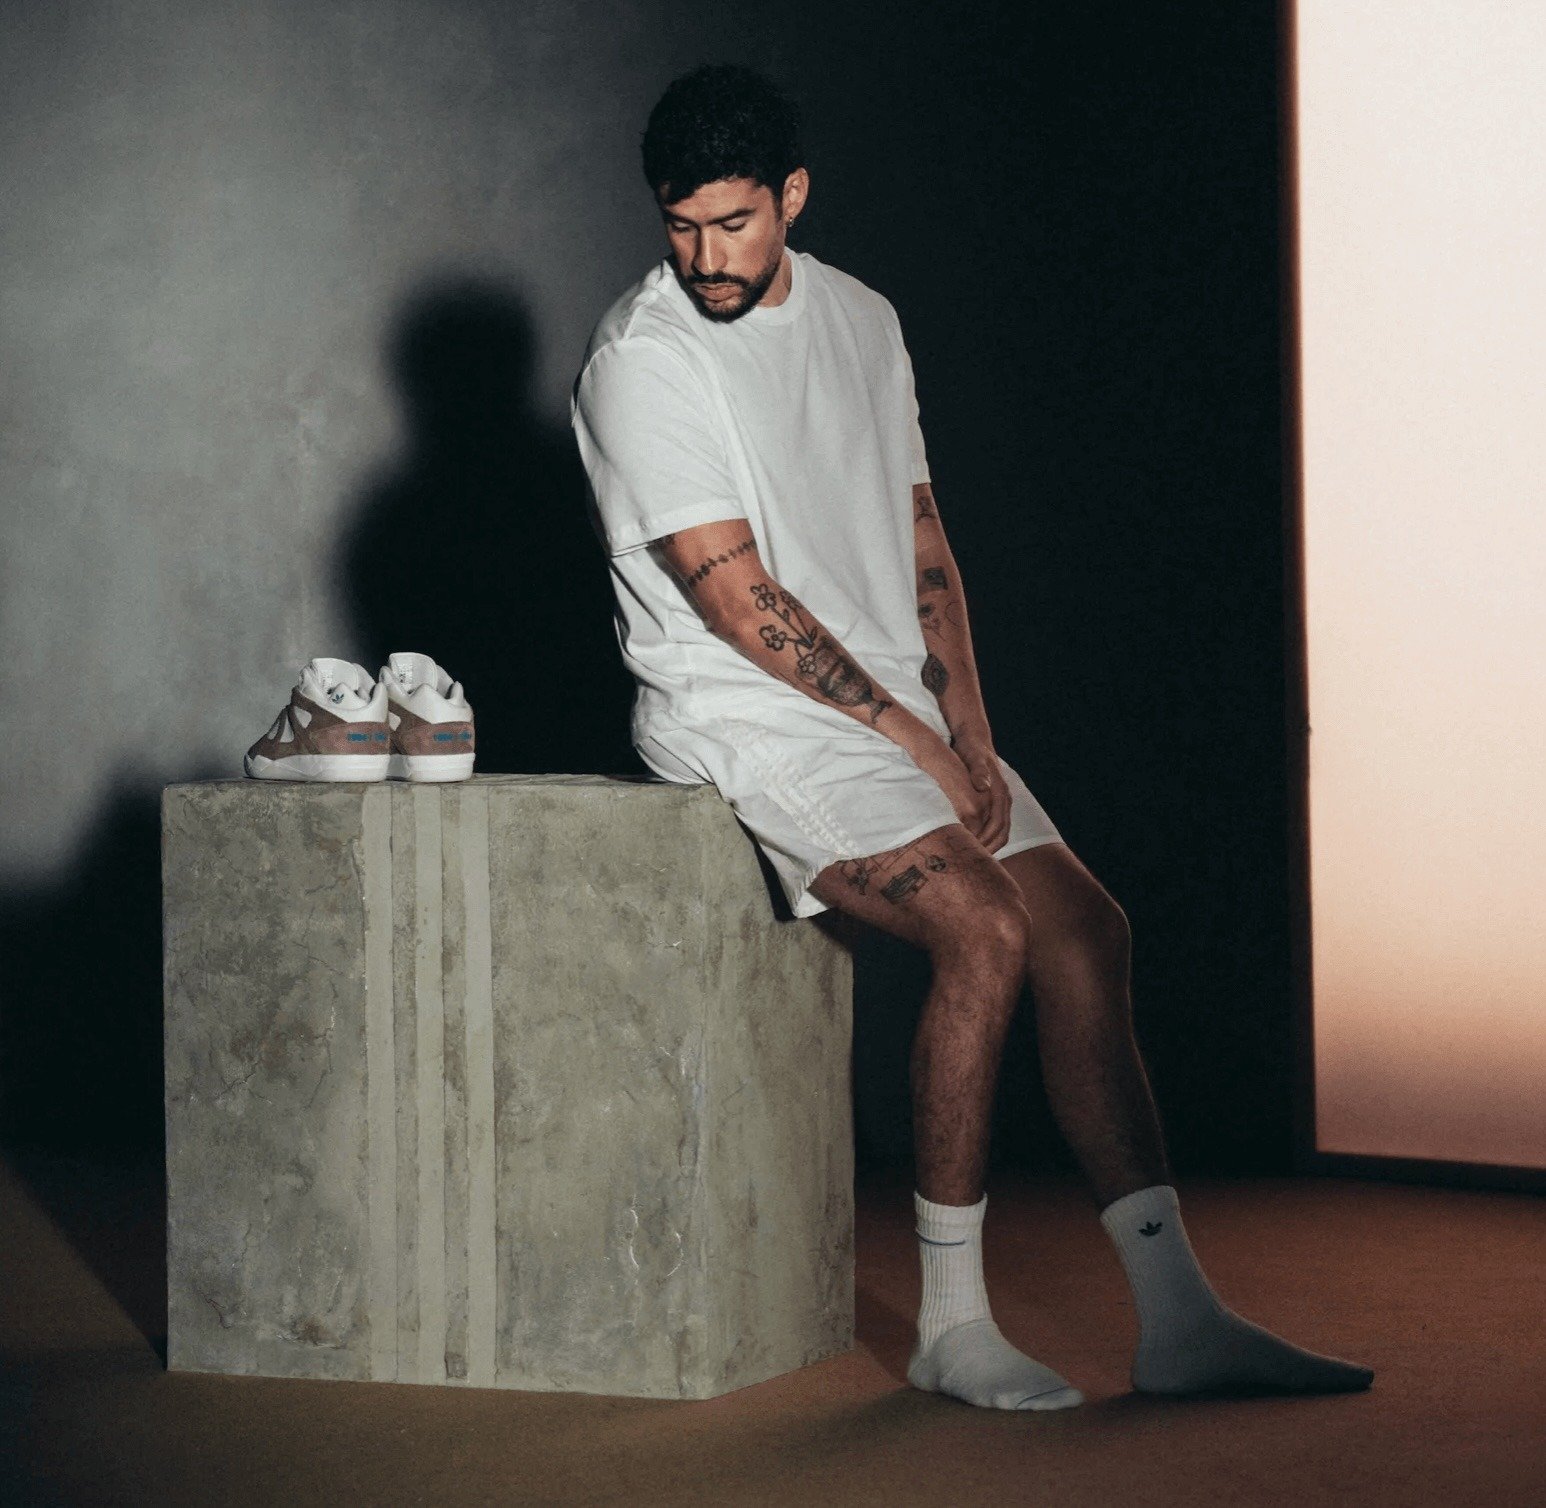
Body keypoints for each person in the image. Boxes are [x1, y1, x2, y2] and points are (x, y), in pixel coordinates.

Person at [571, 62, 1373, 1411]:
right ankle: (951, 1328)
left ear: (792, 197)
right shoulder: (641, 360)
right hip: (745, 712)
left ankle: (1180, 1322)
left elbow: (919, 530)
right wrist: (908, 733)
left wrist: (969, 721)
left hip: (891, 700)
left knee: (1085, 932)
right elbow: (733, 597)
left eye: (733, 223)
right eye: (681, 225)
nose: (705, 257)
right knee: (984, 931)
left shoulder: (862, 319)